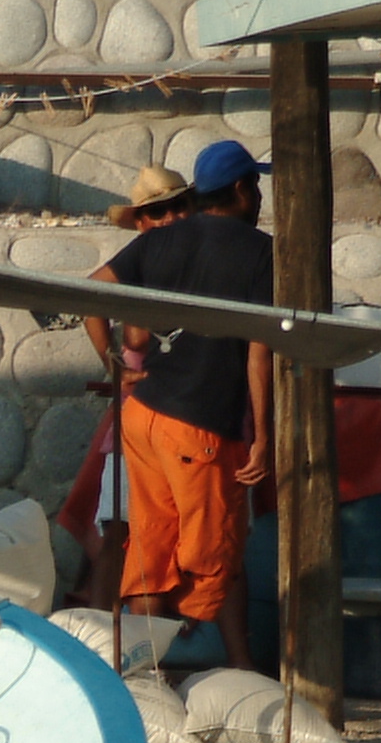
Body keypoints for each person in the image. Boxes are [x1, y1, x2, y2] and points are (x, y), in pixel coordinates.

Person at [88, 139, 275, 673]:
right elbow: (258, 353)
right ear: (242, 189)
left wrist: (112, 363)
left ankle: (146, 681)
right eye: (256, 186)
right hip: (196, 425)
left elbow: (92, 293)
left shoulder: (161, 242)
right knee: (215, 560)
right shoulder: (261, 252)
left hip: (141, 418)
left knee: (149, 554)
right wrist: (263, 435)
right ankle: (213, 664)